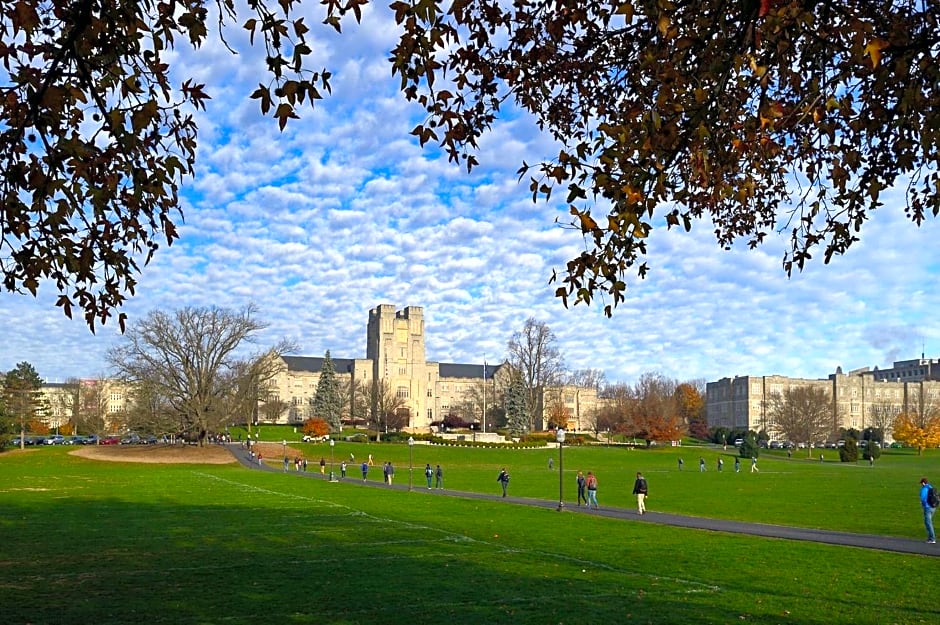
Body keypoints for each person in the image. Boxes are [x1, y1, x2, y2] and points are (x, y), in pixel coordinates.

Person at [920, 477, 936, 543]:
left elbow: (923, 498)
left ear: (923, 483)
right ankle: (930, 538)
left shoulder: (924, 489)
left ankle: (932, 539)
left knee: (928, 523)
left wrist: (923, 505)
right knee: (928, 522)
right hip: (933, 507)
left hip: (927, 508)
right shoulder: (930, 487)